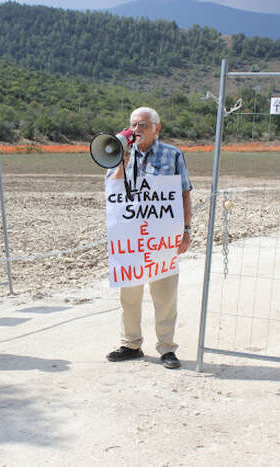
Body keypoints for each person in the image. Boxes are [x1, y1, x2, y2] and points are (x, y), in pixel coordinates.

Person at [105, 107, 192, 369]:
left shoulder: (173, 155)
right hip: (131, 240)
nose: (137, 129)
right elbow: (114, 188)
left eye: (142, 124)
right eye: (133, 124)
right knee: (129, 295)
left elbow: (184, 193)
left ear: (157, 128)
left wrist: (186, 230)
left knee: (164, 296)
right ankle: (131, 344)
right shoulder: (119, 155)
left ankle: (166, 348)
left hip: (162, 238)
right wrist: (123, 159)